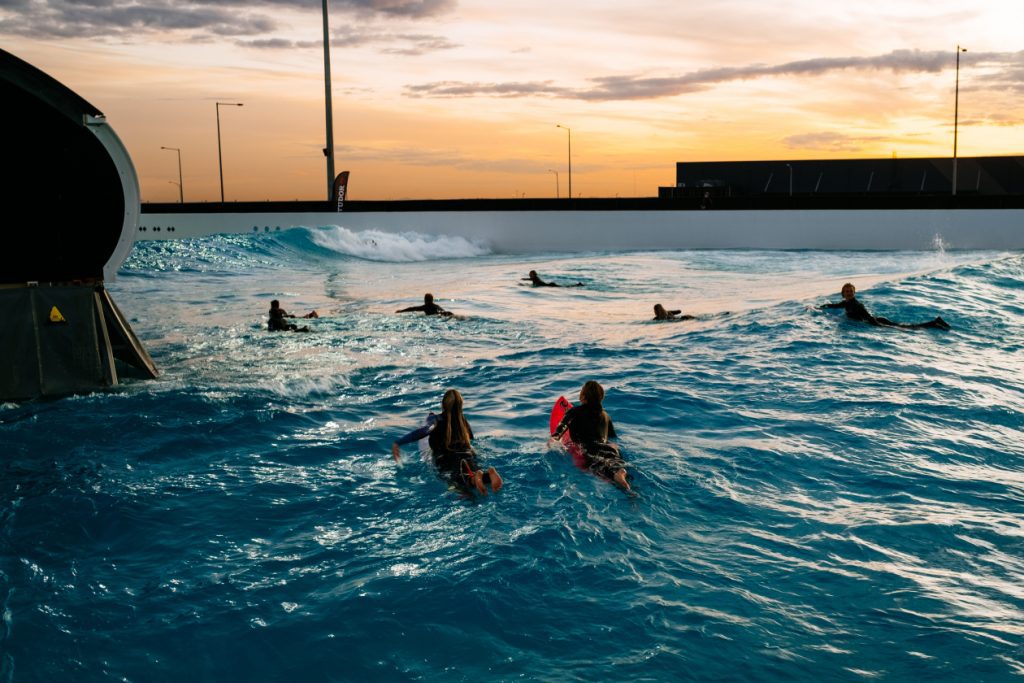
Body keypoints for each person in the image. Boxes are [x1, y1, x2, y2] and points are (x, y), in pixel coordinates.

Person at [391, 389, 503, 495]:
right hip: (468, 454)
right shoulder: (463, 421)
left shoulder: (435, 420)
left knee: (455, 483)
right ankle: (487, 476)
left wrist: (398, 442)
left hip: (446, 459)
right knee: (469, 475)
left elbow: (424, 431)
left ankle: (475, 480)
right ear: (460, 406)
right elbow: (472, 440)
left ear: (443, 404)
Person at [549, 380, 631, 491]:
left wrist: (555, 437)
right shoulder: (606, 417)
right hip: (612, 451)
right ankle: (622, 473)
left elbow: (562, 426)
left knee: (603, 469)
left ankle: (618, 474)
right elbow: (613, 440)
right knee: (615, 468)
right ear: (601, 397)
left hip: (590, 449)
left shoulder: (574, 412)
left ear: (583, 396)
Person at [821, 283, 950, 330]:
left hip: (876, 321)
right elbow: (834, 306)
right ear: (843, 294)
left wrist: (881, 327)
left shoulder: (856, 305)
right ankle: (934, 323)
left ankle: (934, 323)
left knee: (909, 328)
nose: (849, 293)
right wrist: (819, 307)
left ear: (854, 293)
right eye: (846, 292)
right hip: (878, 320)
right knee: (907, 326)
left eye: (851, 291)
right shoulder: (846, 303)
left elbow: (869, 317)